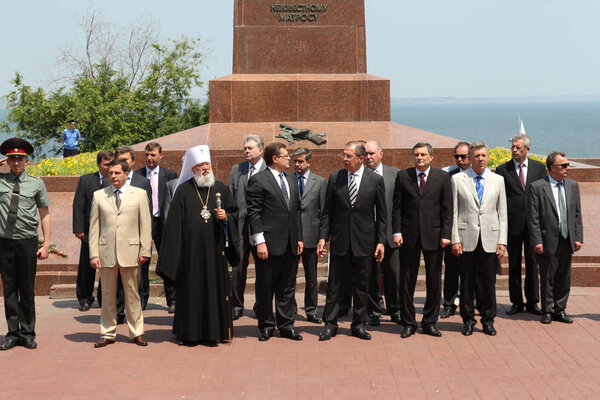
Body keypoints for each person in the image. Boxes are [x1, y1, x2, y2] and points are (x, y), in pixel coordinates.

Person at [156, 145, 239, 345]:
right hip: (190, 255)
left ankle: (215, 332)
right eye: (200, 165)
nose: (205, 169)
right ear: (192, 168)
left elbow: (235, 213)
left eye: (207, 164)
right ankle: (189, 333)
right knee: (191, 292)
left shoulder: (221, 189)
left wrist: (226, 217)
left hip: (215, 253)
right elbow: (174, 227)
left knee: (214, 290)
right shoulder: (183, 191)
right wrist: (176, 256)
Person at [317, 141, 386, 341]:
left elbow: (382, 215)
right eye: (343, 155)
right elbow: (327, 212)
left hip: (365, 242)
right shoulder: (335, 177)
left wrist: (381, 241)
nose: (344, 159)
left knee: (362, 286)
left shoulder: (375, 180)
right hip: (340, 241)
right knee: (335, 285)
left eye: (348, 156)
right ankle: (330, 324)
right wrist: (323, 237)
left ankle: (358, 324)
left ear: (361, 158)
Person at [89, 158, 151, 348]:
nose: (113, 176)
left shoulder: (139, 194)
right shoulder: (99, 195)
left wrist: (145, 249)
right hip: (106, 252)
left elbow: (146, 224)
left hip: (131, 252)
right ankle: (107, 333)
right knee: (107, 295)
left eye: (117, 173)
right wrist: (93, 254)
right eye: (111, 173)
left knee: (132, 295)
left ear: (126, 174)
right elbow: (94, 227)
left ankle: (137, 332)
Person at [392, 142, 453, 338]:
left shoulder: (442, 177)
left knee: (434, 281)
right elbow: (397, 208)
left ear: (431, 157)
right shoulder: (403, 176)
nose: (419, 158)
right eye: (416, 154)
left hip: (434, 236)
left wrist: (446, 234)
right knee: (407, 280)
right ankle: (408, 322)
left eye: (423, 155)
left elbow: (447, 208)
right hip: (408, 236)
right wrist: (396, 232)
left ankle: (429, 322)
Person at [247, 142, 304, 341]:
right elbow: (253, 213)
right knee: (265, 286)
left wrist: (299, 238)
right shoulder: (259, 180)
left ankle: (287, 325)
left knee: (287, 286)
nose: (290, 159)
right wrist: (259, 241)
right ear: (275, 158)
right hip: (268, 244)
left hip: (290, 243)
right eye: (286, 155)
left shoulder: (291, 178)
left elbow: (296, 211)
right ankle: (266, 325)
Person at [451, 142, 507, 336]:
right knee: (466, 282)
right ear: (470, 158)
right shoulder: (458, 179)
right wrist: (455, 239)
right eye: (476, 156)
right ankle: (467, 320)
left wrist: (502, 241)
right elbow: (454, 211)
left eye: (483, 155)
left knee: (488, 282)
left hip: (490, 238)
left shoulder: (498, 180)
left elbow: (502, 213)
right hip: (466, 238)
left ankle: (488, 320)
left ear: (488, 157)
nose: (480, 159)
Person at [0, 138, 51, 351]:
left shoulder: (36, 183)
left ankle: (28, 333)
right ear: (7, 161)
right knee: (9, 289)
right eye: (12, 159)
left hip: (27, 242)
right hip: (4, 241)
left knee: (27, 289)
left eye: (20, 159)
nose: (16, 163)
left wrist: (46, 243)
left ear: (26, 160)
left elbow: (45, 214)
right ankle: (12, 334)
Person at [528, 151, 583, 324]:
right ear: (552, 168)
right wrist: (536, 240)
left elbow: (577, 214)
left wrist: (578, 237)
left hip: (567, 238)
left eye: (568, 165)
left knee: (564, 276)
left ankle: (560, 309)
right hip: (547, 240)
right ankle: (547, 310)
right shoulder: (537, 187)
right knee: (547, 277)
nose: (568, 168)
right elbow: (533, 217)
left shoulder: (573, 186)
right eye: (564, 165)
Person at [495, 134, 547, 315]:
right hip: (513, 224)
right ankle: (516, 302)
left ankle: (533, 302)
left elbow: (543, 195)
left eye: (518, 147)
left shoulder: (539, 168)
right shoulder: (503, 169)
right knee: (514, 263)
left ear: (527, 149)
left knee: (533, 264)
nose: (514, 150)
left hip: (534, 225)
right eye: (513, 147)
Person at [102, 146, 152, 324]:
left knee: (134, 288)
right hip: (110, 247)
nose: (114, 175)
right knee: (111, 290)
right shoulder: (105, 186)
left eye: (125, 160)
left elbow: (146, 218)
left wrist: (145, 246)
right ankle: (115, 319)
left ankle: (137, 325)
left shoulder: (142, 183)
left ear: (131, 163)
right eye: (119, 159)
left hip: (132, 245)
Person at [134, 142, 178, 313]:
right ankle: (142, 300)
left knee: (167, 261)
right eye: (147, 155)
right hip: (144, 222)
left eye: (153, 155)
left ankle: (172, 300)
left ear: (161, 155)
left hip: (163, 223)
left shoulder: (170, 175)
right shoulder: (137, 176)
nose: (149, 158)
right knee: (142, 262)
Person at [229, 135, 267, 320]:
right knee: (237, 268)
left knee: (263, 270)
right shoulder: (237, 169)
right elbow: (230, 197)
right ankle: (236, 305)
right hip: (240, 228)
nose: (246, 151)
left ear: (261, 150)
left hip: (261, 229)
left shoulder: (269, 170)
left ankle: (261, 305)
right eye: (245, 148)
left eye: (250, 148)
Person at [364, 141, 401, 325]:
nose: (368, 157)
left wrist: (398, 231)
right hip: (368, 235)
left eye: (372, 153)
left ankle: (395, 309)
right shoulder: (359, 175)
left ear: (381, 153)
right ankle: (375, 311)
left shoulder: (395, 174)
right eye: (366, 154)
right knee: (372, 275)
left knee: (393, 273)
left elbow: (399, 206)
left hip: (391, 234)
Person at [72, 150, 114, 311]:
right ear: (98, 164)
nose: (108, 168)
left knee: (108, 266)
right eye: (105, 164)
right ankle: (84, 297)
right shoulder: (87, 180)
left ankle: (104, 298)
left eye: (111, 164)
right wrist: (78, 227)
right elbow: (79, 204)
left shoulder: (116, 180)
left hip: (110, 231)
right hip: (89, 231)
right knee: (86, 266)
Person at [292, 147, 326, 324]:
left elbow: (323, 212)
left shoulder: (320, 182)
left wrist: (322, 238)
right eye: (295, 161)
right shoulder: (287, 179)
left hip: (312, 237)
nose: (297, 164)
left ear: (309, 162)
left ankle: (311, 310)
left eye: (301, 161)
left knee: (311, 277)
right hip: (291, 236)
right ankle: (290, 310)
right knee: (289, 277)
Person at [440, 141, 471, 318]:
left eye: (463, 156)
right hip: (453, 230)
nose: (460, 160)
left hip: (474, 230)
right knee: (451, 269)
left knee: (473, 270)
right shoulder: (447, 174)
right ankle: (450, 304)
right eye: (456, 156)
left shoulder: (480, 174)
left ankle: (471, 301)